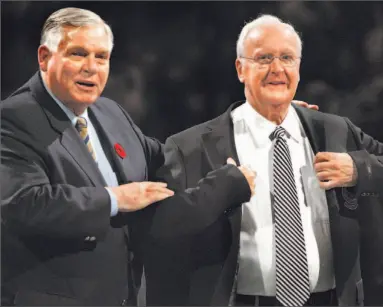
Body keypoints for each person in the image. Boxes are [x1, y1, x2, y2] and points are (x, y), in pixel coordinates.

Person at [1, 7, 258, 306]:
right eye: (78, 54)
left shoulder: (109, 112)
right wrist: (114, 199)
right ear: (44, 58)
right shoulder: (12, 119)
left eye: (101, 57)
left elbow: (170, 158)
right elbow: (23, 203)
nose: (91, 67)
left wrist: (253, 120)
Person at [143, 14, 383, 306]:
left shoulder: (335, 130)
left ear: (298, 67)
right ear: (240, 68)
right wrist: (219, 190)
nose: (277, 69)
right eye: (264, 58)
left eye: (287, 58)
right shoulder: (190, 146)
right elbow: (160, 228)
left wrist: (360, 169)